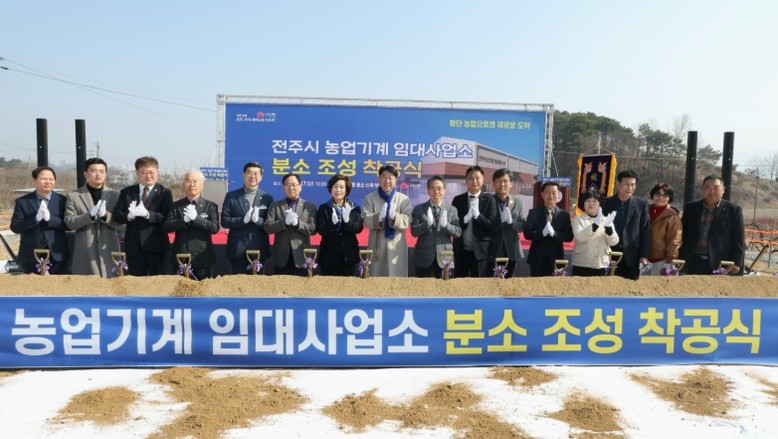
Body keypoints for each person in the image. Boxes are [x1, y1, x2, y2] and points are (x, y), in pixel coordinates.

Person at [113, 156, 173, 276]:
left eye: (152, 172)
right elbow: (117, 215)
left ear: (157, 172)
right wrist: (129, 216)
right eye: (144, 172)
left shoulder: (164, 193)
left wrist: (148, 214)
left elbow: (167, 216)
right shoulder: (127, 192)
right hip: (134, 247)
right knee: (135, 281)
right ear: (137, 173)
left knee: (157, 282)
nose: (148, 175)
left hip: (156, 246)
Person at [64, 157, 121, 277]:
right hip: (85, 248)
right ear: (86, 173)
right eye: (94, 171)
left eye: (101, 171)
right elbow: (70, 222)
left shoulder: (115, 195)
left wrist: (105, 216)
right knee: (86, 283)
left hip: (108, 246)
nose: (98, 174)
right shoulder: (74, 195)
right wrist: (89, 215)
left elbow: (119, 222)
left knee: (112, 282)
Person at [679, 176, 745, 275]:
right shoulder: (691, 208)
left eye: (716, 187)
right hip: (692, 260)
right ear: (702, 189)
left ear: (723, 190)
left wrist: (737, 262)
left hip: (719, 262)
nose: (711, 191)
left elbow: (739, 239)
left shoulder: (733, 210)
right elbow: (682, 234)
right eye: (707, 187)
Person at [11, 166, 69, 274]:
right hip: (30, 255)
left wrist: (50, 219)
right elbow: (15, 227)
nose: (48, 182)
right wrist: (35, 220)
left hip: (57, 254)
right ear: (34, 181)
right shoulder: (23, 201)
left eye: (51, 179)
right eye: (43, 179)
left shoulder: (63, 201)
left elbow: (68, 225)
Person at [163, 170, 219, 280]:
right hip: (180, 257)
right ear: (183, 184)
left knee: (203, 289)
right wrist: (183, 220)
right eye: (188, 181)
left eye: (195, 181)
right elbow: (166, 227)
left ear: (202, 184)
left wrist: (196, 219)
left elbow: (214, 228)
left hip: (203, 258)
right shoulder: (175, 206)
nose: (192, 184)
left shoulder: (210, 206)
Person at [221, 162, 273, 274]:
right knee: (237, 282)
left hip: (259, 248)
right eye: (249, 173)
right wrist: (242, 220)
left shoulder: (267, 198)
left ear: (261, 177)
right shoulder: (231, 196)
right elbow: (224, 221)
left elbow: (270, 224)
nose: (252, 176)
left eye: (256, 173)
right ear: (243, 175)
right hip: (237, 248)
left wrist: (258, 220)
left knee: (258, 283)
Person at [361, 165, 413, 277]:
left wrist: (395, 217)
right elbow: (365, 218)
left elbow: (408, 219)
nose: (387, 181)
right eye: (384, 177)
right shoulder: (369, 198)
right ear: (379, 179)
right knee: (376, 277)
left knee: (397, 278)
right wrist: (379, 217)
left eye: (390, 178)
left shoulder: (403, 199)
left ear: (396, 180)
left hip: (396, 245)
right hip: (377, 244)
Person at [264, 173, 317, 276]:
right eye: (287, 185)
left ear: (300, 187)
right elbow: (268, 228)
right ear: (283, 187)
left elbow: (313, 229)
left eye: (294, 185)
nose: (291, 188)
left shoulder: (309, 206)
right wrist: (284, 223)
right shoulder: (274, 206)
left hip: (302, 256)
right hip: (281, 256)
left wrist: (298, 224)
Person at [410, 176, 462, 278]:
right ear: (428, 191)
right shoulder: (419, 209)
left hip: (445, 256)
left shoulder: (452, 210)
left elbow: (458, 233)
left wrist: (446, 225)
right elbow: (414, 232)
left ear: (444, 190)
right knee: (421, 286)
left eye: (439, 188)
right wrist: (426, 224)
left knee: (444, 286)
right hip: (423, 256)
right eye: (433, 188)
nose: (436, 191)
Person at [602, 170, 650, 280]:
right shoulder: (606, 202)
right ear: (618, 184)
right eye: (627, 184)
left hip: (632, 256)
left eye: (633, 185)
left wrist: (644, 255)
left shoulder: (641, 204)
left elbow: (645, 231)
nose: (630, 188)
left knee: (630, 287)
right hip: (609, 253)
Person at [451, 165, 498, 277]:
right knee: (459, 283)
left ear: (483, 180)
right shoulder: (458, 200)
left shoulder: (489, 200)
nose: (474, 181)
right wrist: (465, 219)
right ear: (466, 180)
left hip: (481, 252)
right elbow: (453, 224)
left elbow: (492, 226)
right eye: (471, 178)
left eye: (477, 178)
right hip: (461, 250)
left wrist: (478, 216)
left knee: (479, 284)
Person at [315, 174, 364, 276]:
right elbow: (320, 230)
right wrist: (332, 223)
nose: (338, 190)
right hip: (328, 255)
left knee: (347, 284)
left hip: (348, 255)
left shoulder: (354, 207)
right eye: (335, 186)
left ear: (346, 190)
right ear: (331, 188)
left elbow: (358, 228)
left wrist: (347, 220)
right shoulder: (324, 208)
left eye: (342, 187)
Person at [523, 181, 574, 277]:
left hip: (556, 259)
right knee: (536, 285)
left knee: (554, 286)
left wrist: (555, 234)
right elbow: (527, 233)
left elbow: (569, 237)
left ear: (558, 195)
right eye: (547, 192)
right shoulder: (533, 213)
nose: (551, 196)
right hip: (537, 259)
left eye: (554, 193)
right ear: (542, 194)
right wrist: (541, 233)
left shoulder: (564, 215)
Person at [487, 168, 526, 278]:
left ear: (511, 183)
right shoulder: (488, 201)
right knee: (491, 282)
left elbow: (522, 225)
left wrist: (511, 222)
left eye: (505, 181)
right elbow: (485, 225)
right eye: (499, 181)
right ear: (494, 183)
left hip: (512, 249)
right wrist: (500, 221)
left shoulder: (518, 202)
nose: (502, 184)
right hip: (493, 248)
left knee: (509, 283)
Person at [571, 190, 619, 276]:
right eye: (588, 201)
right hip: (582, 265)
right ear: (583, 203)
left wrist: (609, 230)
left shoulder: (607, 220)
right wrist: (595, 225)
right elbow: (580, 237)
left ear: (600, 203)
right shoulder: (578, 220)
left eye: (594, 201)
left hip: (602, 264)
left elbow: (613, 242)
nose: (591, 203)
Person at [647, 183, 682, 275]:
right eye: (657, 194)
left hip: (661, 261)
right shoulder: (644, 210)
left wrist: (670, 262)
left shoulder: (672, 217)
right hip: (642, 260)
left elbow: (675, 241)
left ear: (670, 198)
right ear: (652, 195)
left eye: (665, 195)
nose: (661, 197)